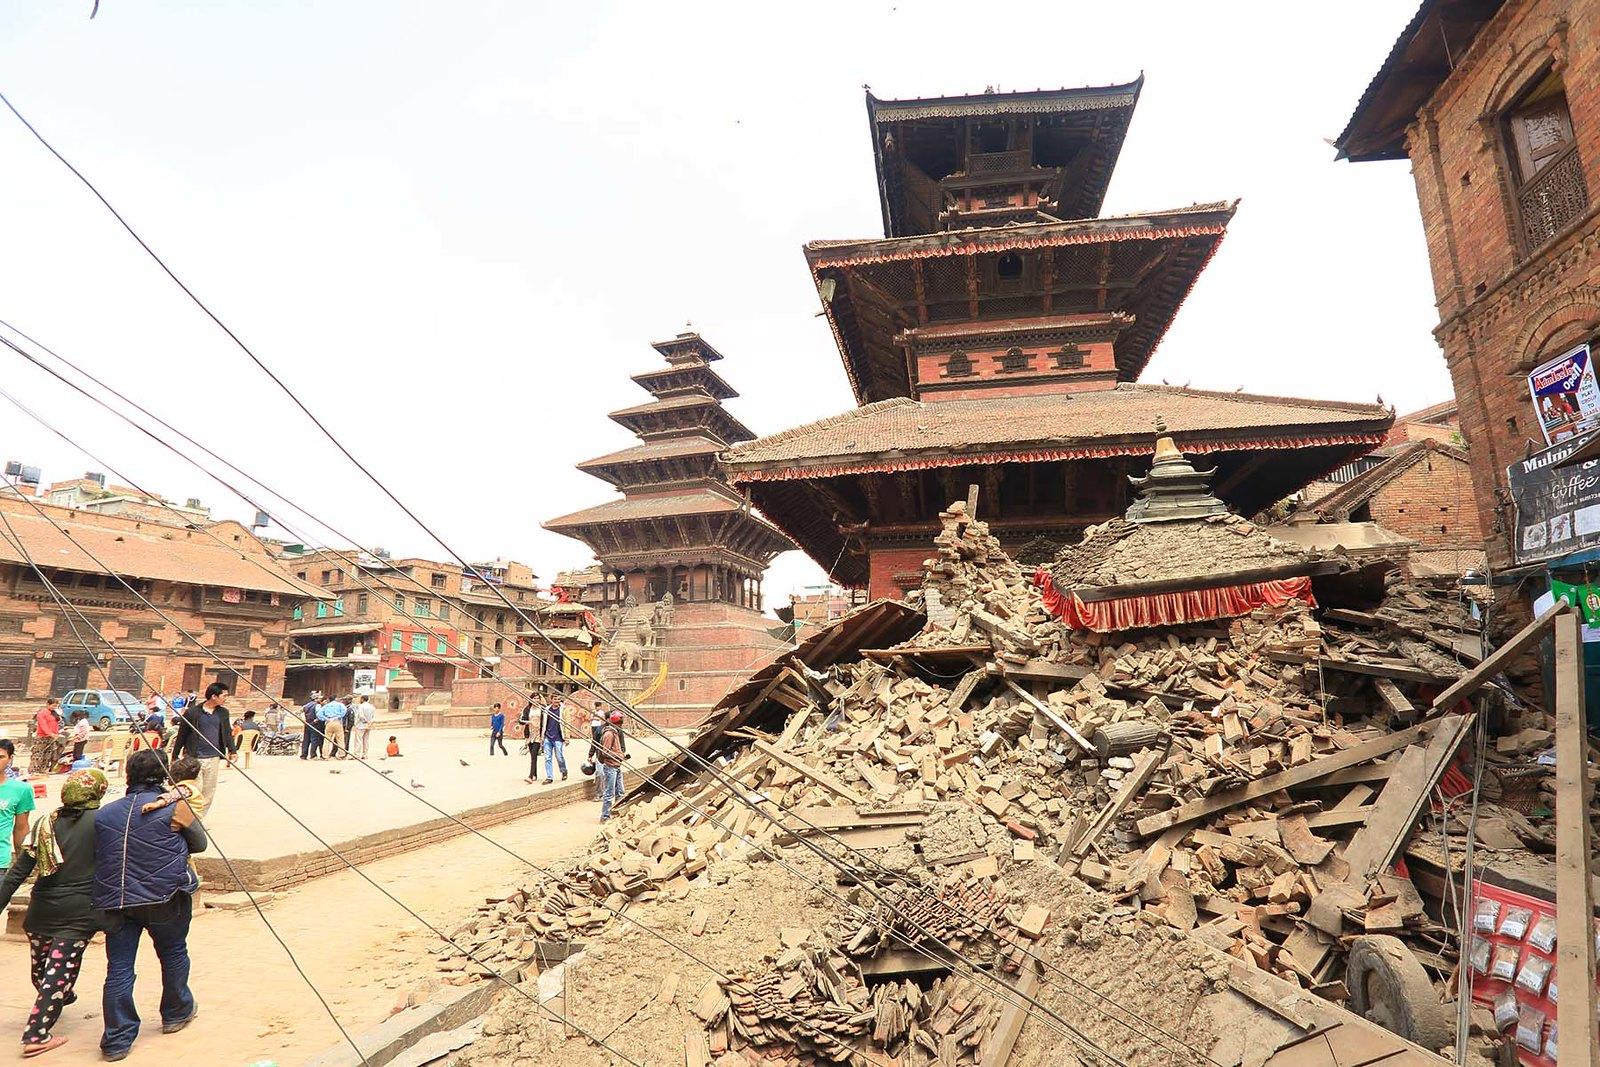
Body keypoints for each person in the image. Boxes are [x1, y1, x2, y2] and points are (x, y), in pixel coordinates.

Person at [92, 750, 206, 1060]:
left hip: (117, 900)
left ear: (128, 775)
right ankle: (176, 1012)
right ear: (164, 775)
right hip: (164, 896)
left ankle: (117, 1039)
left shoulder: (105, 814)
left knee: (119, 967)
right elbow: (199, 843)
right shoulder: (174, 808)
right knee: (173, 953)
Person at [0, 767, 109, 1058]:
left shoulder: (45, 823)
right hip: (77, 913)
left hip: (41, 912)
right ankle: (36, 1035)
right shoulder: (103, 822)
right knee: (56, 975)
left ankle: (60, 993)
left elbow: (17, 872)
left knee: (44, 974)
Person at [171, 682, 236, 807]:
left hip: (213, 757)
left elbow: (227, 732)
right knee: (195, 789)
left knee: (208, 791)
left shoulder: (223, 713)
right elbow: (182, 734)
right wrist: (175, 755)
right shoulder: (192, 713)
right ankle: (190, 815)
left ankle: (200, 817)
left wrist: (232, 750)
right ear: (214, 696)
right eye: (224, 696)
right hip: (195, 757)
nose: (226, 699)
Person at [0, 742, 35, 877]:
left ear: (10, 759)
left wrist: (22, 865)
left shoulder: (21, 790)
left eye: (1, 757)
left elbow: (21, 828)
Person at [597, 712, 625, 822]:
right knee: (609, 793)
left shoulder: (615, 733)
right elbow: (605, 752)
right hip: (610, 767)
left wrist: (621, 755)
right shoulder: (609, 734)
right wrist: (619, 755)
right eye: (619, 724)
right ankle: (605, 816)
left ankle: (617, 814)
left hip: (617, 765)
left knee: (620, 792)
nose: (620, 726)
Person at [533, 696, 567, 785]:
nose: (557, 701)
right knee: (547, 758)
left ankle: (563, 771)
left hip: (559, 737)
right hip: (547, 737)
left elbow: (567, 724)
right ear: (551, 700)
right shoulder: (546, 710)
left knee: (559, 757)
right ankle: (549, 777)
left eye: (558, 699)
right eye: (555, 699)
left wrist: (566, 737)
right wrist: (542, 737)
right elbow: (543, 723)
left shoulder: (563, 710)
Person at [29, 700, 63, 778]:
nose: (54, 708)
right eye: (53, 706)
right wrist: (51, 734)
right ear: (47, 704)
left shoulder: (54, 713)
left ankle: (43, 770)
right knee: (38, 754)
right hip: (42, 737)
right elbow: (43, 725)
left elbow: (56, 724)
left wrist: (56, 734)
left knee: (47, 754)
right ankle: (33, 771)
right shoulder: (42, 713)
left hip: (52, 737)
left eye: (56, 706)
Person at [319, 694, 348, 760]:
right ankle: (341, 755)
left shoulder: (326, 706)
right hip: (337, 721)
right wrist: (339, 716)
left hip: (329, 722)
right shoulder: (340, 705)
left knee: (327, 739)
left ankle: (325, 756)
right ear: (335, 698)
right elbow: (345, 711)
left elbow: (319, 714)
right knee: (340, 739)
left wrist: (325, 718)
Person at [299, 693, 323, 760]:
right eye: (319, 698)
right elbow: (319, 715)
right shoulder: (317, 705)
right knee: (314, 739)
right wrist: (317, 719)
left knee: (306, 740)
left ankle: (303, 755)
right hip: (314, 724)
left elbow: (298, 712)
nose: (320, 699)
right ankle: (313, 755)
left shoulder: (306, 705)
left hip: (307, 723)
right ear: (316, 699)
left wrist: (303, 720)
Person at [351, 695, 376, 760]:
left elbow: (361, 716)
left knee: (358, 740)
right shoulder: (372, 707)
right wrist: (370, 722)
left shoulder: (361, 706)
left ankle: (357, 755)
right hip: (368, 725)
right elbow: (374, 717)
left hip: (361, 725)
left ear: (362, 699)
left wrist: (366, 721)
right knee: (366, 740)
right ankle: (365, 754)